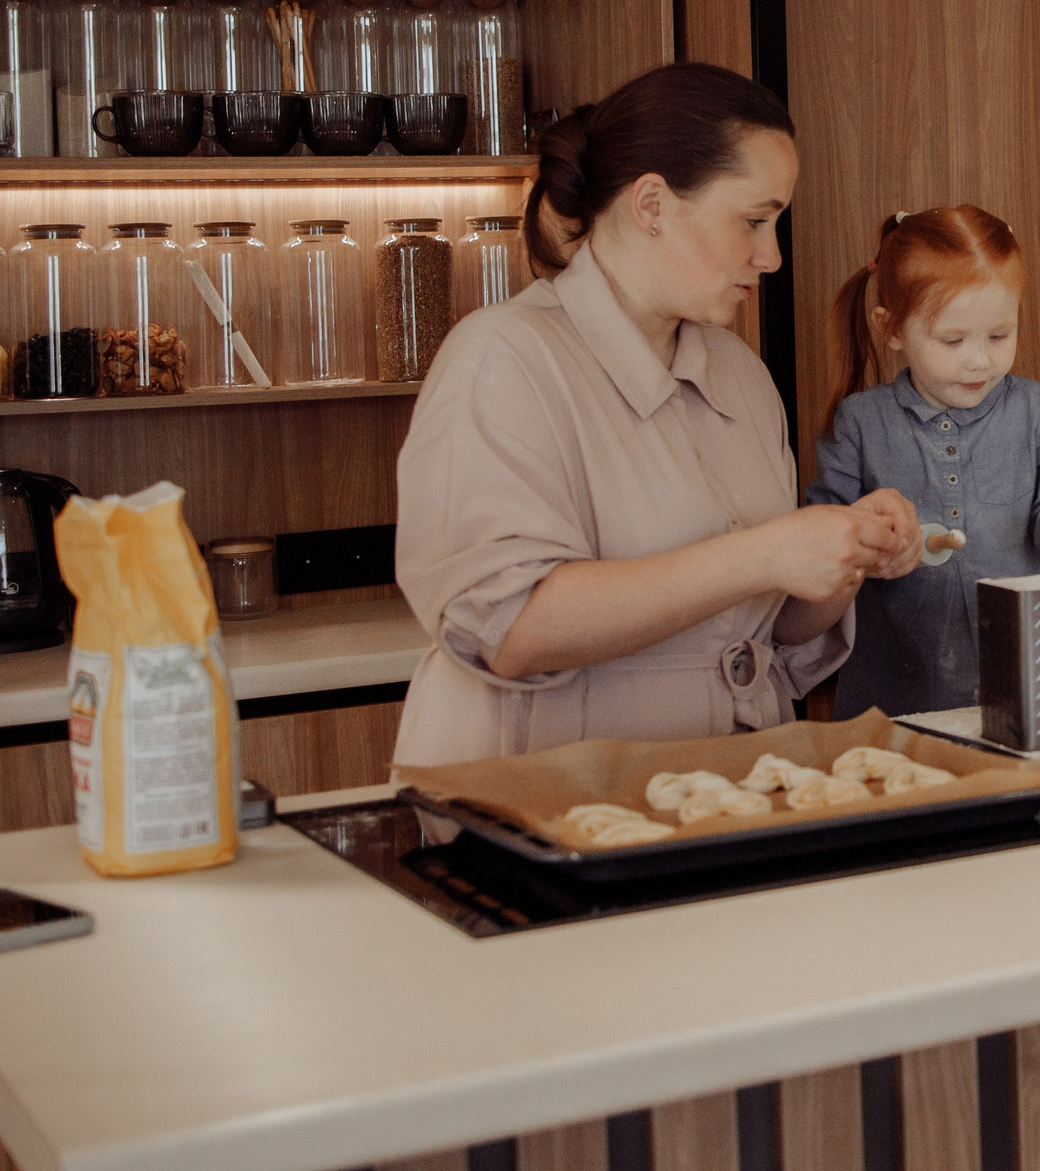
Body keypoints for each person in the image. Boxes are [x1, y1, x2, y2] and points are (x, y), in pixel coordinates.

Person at [392, 63, 922, 765]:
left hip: (721, 796)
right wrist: (763, 551)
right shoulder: (500, 360)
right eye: (754, 221)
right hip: (537, 805)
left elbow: (765, 626)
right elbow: (514, 626)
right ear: (651, 205)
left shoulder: (740, 375)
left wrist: (849, 554)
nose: (771, 256)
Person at [809, 206, 1040, 717]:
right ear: (892, 329)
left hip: (1019, 694)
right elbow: (820, 545)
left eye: (999, 335)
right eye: (953, 341)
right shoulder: (857, 425)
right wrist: (862, 544)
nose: (980, 360)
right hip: (891, 701)